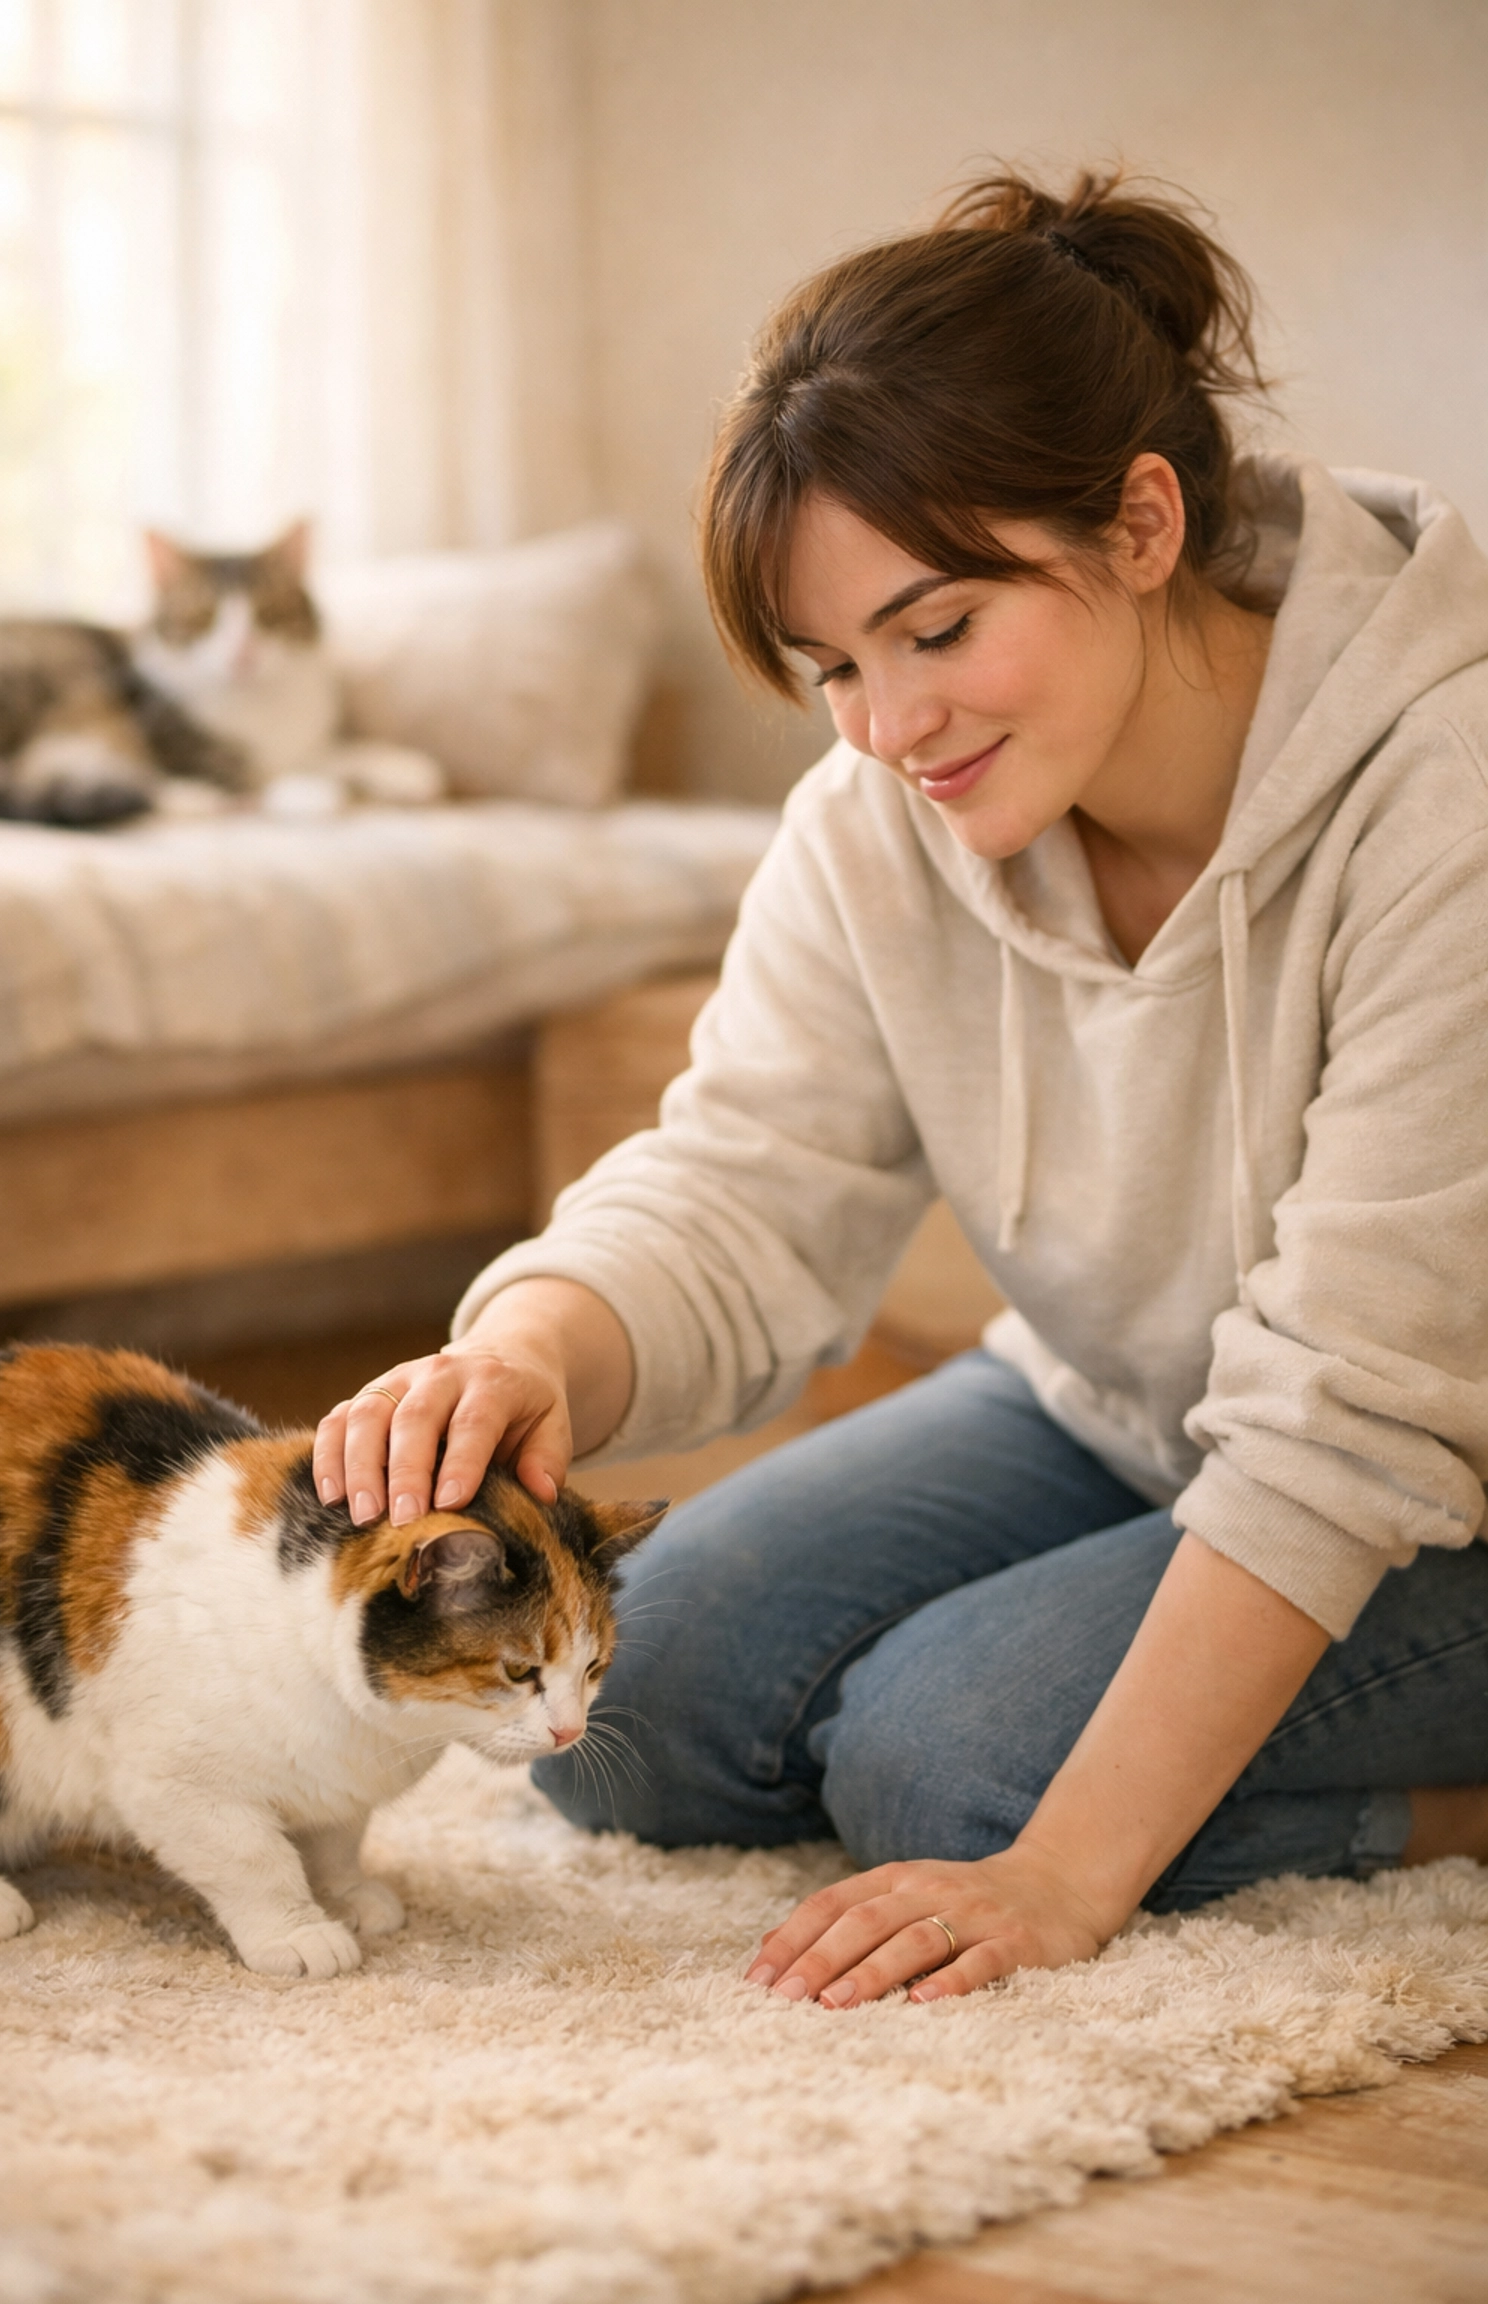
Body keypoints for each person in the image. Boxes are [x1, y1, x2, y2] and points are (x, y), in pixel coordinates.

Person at [314, 168, 1488, 2007]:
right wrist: (529, 1348)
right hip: (1129, 1414)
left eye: (937, 632)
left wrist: (1059, 1877)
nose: (888, 728)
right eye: (835, 665)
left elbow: (1357, 1423)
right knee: (656, 1698)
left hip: (1441, 1481)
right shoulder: (886, 817)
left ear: (1145, 522)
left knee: (954, 1768)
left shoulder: (1453, 791)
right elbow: (741, 1178)